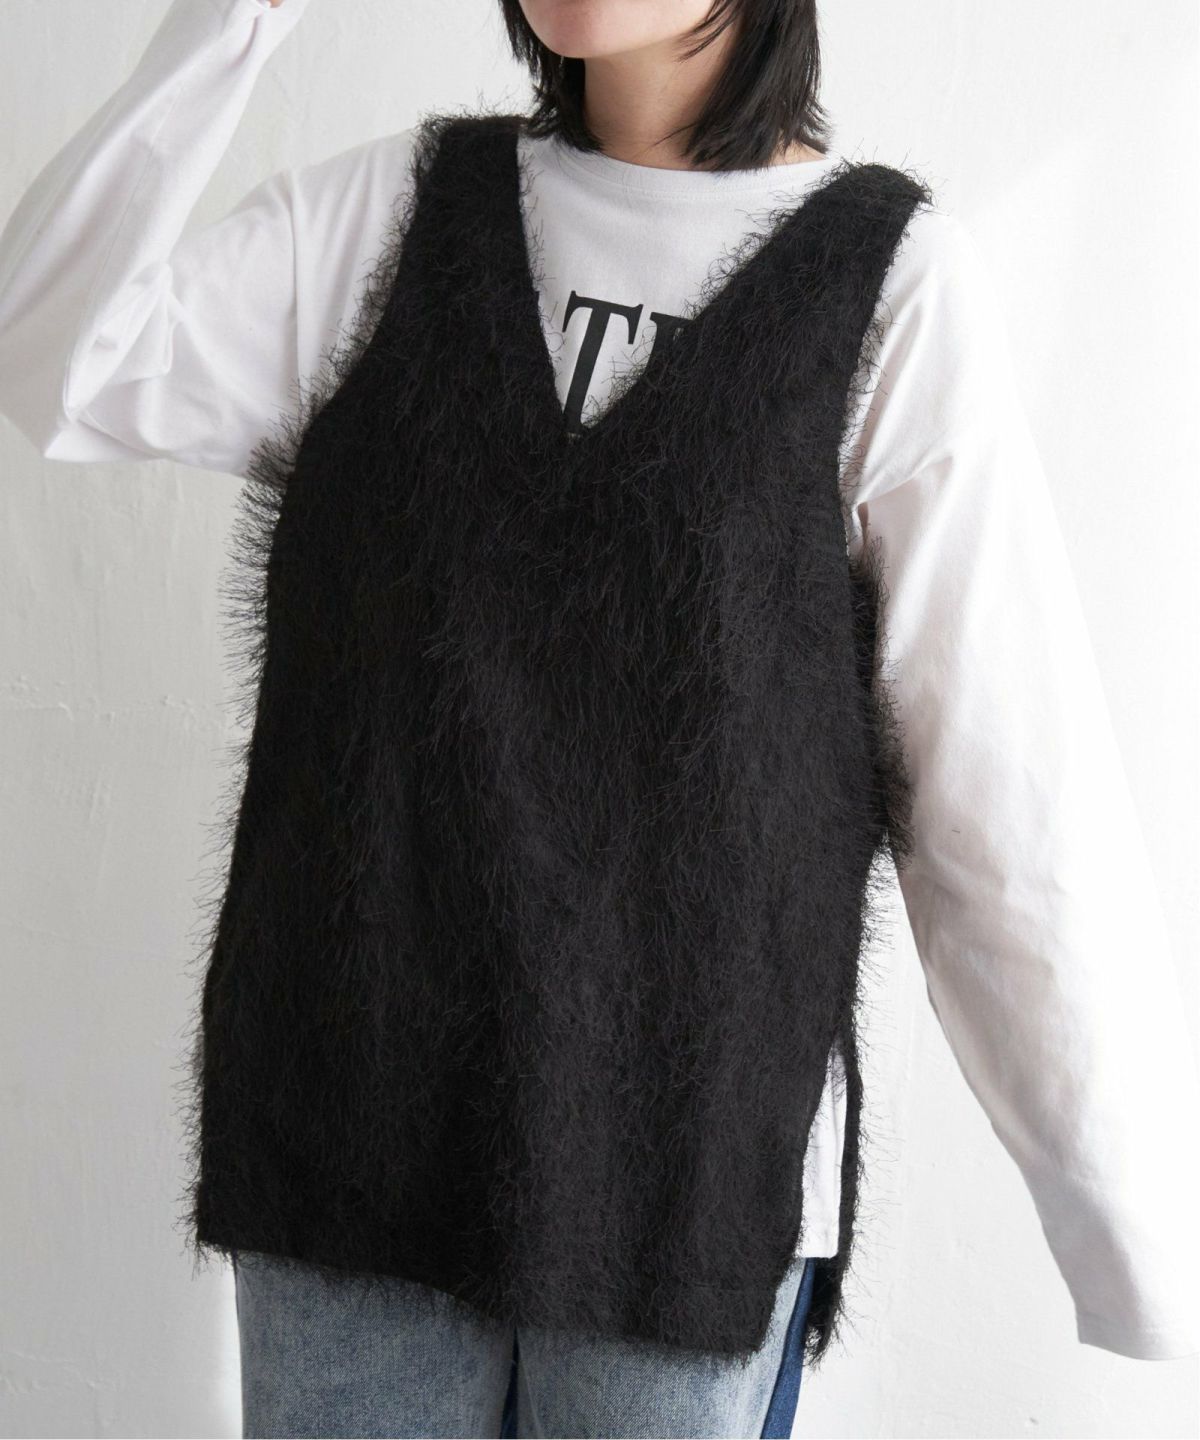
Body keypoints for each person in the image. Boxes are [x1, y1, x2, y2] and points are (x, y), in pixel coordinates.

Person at [1, 1, 1198, 1437]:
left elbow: (1001, 793)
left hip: (685, 1181)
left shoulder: (889, 288)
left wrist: (1127, 1230)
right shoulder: (388, 219)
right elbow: (54, 357)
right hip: (350, 1127)